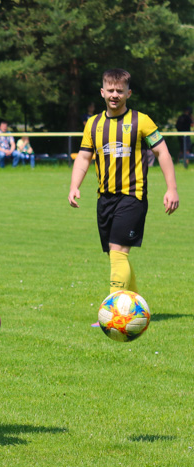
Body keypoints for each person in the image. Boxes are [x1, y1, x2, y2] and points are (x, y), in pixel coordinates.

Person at [68, 68, 179, 315]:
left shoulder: (142, 121)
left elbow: (163, 153)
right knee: (115, 255)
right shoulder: (93, 124)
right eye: (110, 90)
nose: (115, 95)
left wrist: (171, 188)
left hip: (133, 196)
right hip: (104, 199)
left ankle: (115, 314)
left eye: (120, 90)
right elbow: (84, 157)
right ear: (102, 92)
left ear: (129, 93)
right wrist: (74, 186)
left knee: (118, 252)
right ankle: (137, 307)